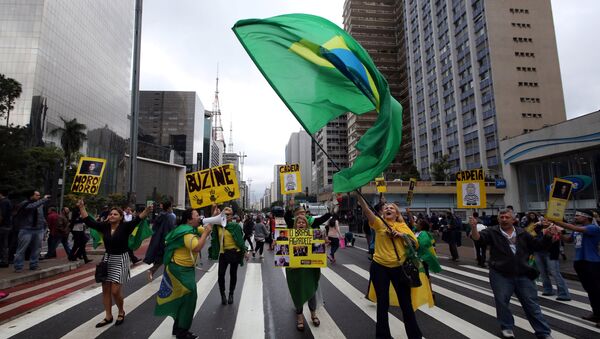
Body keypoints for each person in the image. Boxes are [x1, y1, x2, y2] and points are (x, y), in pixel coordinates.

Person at [470, 209, 556, 339]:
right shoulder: (492, 231)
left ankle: (543, 332)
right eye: (502, 217)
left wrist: (548, 235)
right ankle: (506, 327)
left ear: (514, 220)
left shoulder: (523, 233)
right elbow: (479, 239)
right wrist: (473, 227)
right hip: (500, 274)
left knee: (531, 304)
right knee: (502, 302)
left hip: (523, 273)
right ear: (498, 219)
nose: (504, 219)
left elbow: (538, 246)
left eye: (507, 217)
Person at [357, 195, 425, 339]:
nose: (388, 209)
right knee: (382, 303)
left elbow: (415, 243)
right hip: (379, 267)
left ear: (397, 214)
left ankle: (415, 336)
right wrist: (359, 195)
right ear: (383, 213)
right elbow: (367, 210)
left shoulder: (402, 226)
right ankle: (382, 336)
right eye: (386, 208)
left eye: (391, 208)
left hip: (399, 268)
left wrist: (400, 235)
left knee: (406, 304)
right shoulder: (379, 223)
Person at [76, 199, 152, 327]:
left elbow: (138, 219)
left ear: (121, 217)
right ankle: (108, 316)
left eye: (115, 214)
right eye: (111, 214)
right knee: (105, 289)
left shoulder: (126, 227)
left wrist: (147, 210)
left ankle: (121, 311)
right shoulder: (104, 226)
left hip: (121, 259)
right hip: (107, 259)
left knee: (115, 291)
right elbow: (89, 221)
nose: (112, 216)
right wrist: (82, 207)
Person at [155, 208, 212, 339]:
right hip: (180, 270)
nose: (200, 217)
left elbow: (206, 229)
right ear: (189, 219)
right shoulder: (186, 234)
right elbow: (197, 247)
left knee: (182, 299)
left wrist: (213, 217)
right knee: (189, 299)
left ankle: (178, 328)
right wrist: (205, 233)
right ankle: (182, 332)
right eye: (197, 215)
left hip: (184, 269)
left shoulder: (190, 229)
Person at [552, 210, 600, 324]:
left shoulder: (593, 228)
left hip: (592, 262)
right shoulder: (577, 230)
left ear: (586, 217)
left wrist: (558, 222)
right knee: (590, 290)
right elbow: (568, 240)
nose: (576, 217)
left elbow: (575, 229)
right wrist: (558, 233)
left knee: (597, 290)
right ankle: (597, 314)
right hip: (579, 261)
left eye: (578, 216)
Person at [285, 215, 322, 331]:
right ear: (295, 225)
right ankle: (300, 318)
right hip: (295, 270)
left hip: (309, 270)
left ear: (307, 224)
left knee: (311, 293)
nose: (301, 224)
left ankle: (313, 315)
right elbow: (284, 252)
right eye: (299, 222)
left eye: (303, 222)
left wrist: (323, 244)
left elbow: (318, 250)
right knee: (297, 293)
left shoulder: (314, 234)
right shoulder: (289, 235)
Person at [208, 206, 248, 305]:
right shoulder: (218, 226)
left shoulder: (236, 226)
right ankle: (222, 294)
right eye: (224, 214)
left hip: (235, 253)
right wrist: (214, 212)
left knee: (233, 274)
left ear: (231, 216)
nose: (226, 216)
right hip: (223, 253)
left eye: (228, 214)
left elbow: (240, 241)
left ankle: (231, 294)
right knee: (221, 275)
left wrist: (246, 251)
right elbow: (208, 224)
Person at [13, 191, 50, 272]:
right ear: (31, 196)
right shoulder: (25, 203)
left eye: (39, 195)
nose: (39, 197)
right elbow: (31, 207)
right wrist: (43, 199)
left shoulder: (40, 204)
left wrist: (45, 226)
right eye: (37, 195)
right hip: (26, 229)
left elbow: (41, 216)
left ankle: (34, 265)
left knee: (36, 249)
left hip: (38, 229)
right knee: (22, 249)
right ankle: (18, 266)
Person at [145, 201, 177, 281]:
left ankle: (152, 271)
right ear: (169, 207)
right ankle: (165, 276)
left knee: (160, 258)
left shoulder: (159, 215)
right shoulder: (171, 216)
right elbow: (173, 228)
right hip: (167, 240)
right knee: (168, 257)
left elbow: (154, 227)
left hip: (158, 239)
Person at [415, 219, 441, 296]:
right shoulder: (419, 232)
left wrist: (414, 243)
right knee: (422, 273)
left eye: (418, 223)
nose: (416, 224)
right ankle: (426, 290)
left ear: (421, 226)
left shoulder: (424, 234)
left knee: (425, 274)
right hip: (421, 257)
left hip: (423, 257)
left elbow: (422, 244)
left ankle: (430, 291)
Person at [0, 188, 13, 267]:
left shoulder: (3, 202)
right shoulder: (8, 201)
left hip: (3, 226)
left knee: (2, 245)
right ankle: (4, 260)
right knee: (4, 244)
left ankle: (4, 261)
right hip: (7, 226)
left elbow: (2, 215)